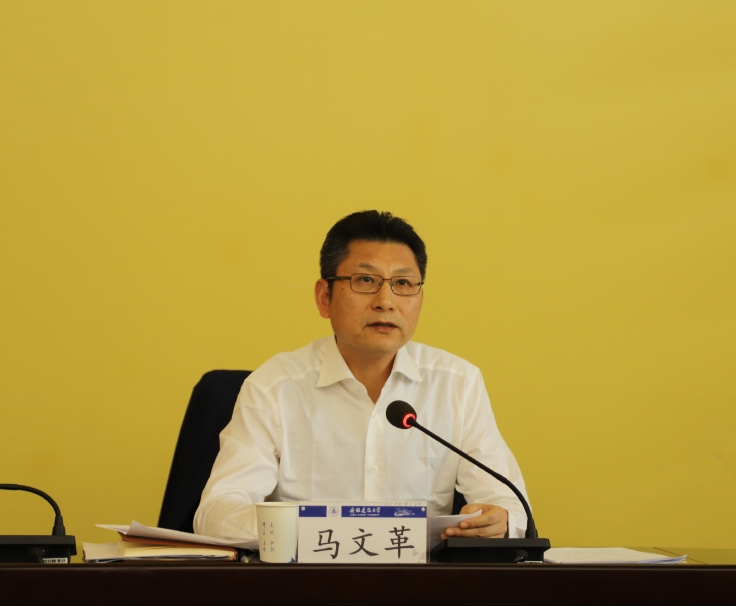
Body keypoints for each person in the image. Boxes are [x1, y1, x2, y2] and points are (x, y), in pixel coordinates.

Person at [194, 210, 530, 541]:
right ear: (324, 297)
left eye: (403, 283)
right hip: (308, 575)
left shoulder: (458, 384)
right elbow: (217, 512)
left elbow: (509, 506)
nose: (386, 301)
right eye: (366, 280)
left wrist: (499, 521)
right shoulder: (272, 387)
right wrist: (311, 530)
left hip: (419, 577)